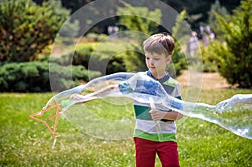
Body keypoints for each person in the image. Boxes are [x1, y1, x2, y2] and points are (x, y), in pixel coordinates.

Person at [70, 33, 183, 167]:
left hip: (167, 138)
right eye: (147, 57)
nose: (151, 62)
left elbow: (179, 113)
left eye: (156, 58)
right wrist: (85, 98)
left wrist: (164, 114)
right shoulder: (138, 80)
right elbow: (113, 89)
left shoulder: (173, 85)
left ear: (168, 59)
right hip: (143, 137)